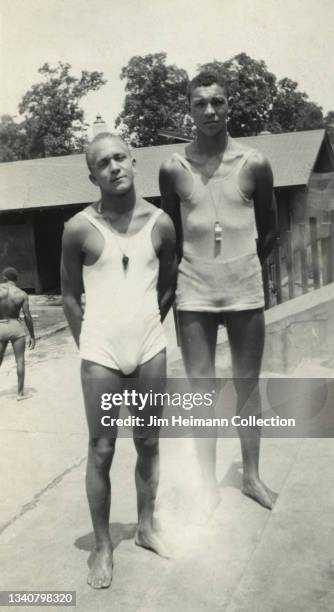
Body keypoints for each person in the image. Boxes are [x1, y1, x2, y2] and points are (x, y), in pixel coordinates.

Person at [61, 133, 177, 589]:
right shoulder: (78, 228)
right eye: (102, 163)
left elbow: (167, 287)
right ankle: (104, 545)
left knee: (149, 443)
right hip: (101, 355)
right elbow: (70, 297)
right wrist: (91, 347)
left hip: (149, 347)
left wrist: (147, 326)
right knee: (102, 449)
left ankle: (146, 528)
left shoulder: (162, 223)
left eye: (119, 158)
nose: (113, 167)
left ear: (134, 161)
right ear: (93, 175)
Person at [159, 71, 278, 514]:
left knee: (247, 387)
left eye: (218, 102)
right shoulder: (173, 167)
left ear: (230, 105)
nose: (210, 111)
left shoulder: (255, 162)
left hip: (244, 288)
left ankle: (251, 477)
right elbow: (169, 238)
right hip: (193, 292)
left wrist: (241, 271)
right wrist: (193, 279)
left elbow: (269, 232)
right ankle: (207, 484)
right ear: (188, 109)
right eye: (200, 104)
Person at [0, 267, 35, 399]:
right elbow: (27, 317)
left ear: (4, 278)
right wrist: (32, 336)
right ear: (16, 279)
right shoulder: (22, 294)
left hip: (1, 326)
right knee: (20, 360)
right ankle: (20, 394)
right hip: (16, 327)